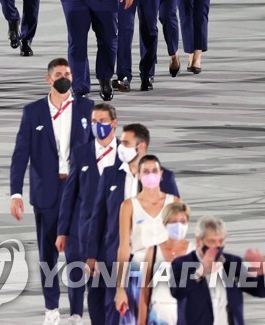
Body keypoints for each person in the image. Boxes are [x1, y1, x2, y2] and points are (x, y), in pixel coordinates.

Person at [9, 59, 94, 325]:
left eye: (68, 73)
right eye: (59, 74)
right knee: (48, 253)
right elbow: (20, 155)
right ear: (49, 79)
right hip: (46, 192)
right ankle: (51, 308)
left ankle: (77, 312)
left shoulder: (87, 108)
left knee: (76, 253)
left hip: (77, 190)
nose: (65, 78)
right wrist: (16, 194)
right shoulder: (33, 112)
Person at [91, 123, 181, 325]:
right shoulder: (110, 176)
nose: (119, 146)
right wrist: (92, 254)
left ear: (141, 146)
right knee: (116, 312)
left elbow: (176, 224)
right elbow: (98, 218)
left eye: (125, 142)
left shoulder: (167, 182)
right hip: (117, 257)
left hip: (157, 265)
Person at [56, 101, 120, 323]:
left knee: (113, 288)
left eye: (102, 121)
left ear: (114, 123)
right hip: (86, 230)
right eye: (94, 121)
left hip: (115, 233)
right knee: (92, 285)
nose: (97, 126)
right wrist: (62, 231)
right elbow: (69, 195)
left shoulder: (125, 155)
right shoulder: (81, 153)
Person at [169, 216, 265, 323]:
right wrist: (200, 272)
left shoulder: (232, 262)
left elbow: (262, 292)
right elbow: (177, 292)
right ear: (199, 242)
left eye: (221, 241)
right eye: (212, 241)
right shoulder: (182, 263)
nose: (217, 246)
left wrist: (264, 272)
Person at [113, 155, 178, 319]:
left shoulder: (173, 202)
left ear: (161, 174)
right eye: (146, 171)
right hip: (138, 270)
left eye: (155, 171)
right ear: (139, 175)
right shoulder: (128, 206)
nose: (151, 175)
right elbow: (124, 247)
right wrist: (120, 288)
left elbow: (178, 244)